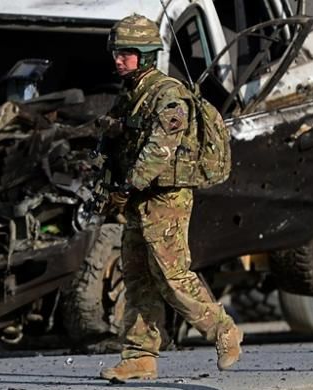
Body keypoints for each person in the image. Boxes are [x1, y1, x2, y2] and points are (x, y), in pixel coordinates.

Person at [97, 14, 242, 381]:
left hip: (165, 197)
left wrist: (125, 186)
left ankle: (223, 329)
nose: (119, 59)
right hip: (138, 198)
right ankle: (140, 356)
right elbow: (117, 141)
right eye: (117, 51)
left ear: (146, 55)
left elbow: (159, 150)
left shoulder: (168, 95)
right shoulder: (130, 94)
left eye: (128, 53)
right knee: (137, 276)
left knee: (172, 275)